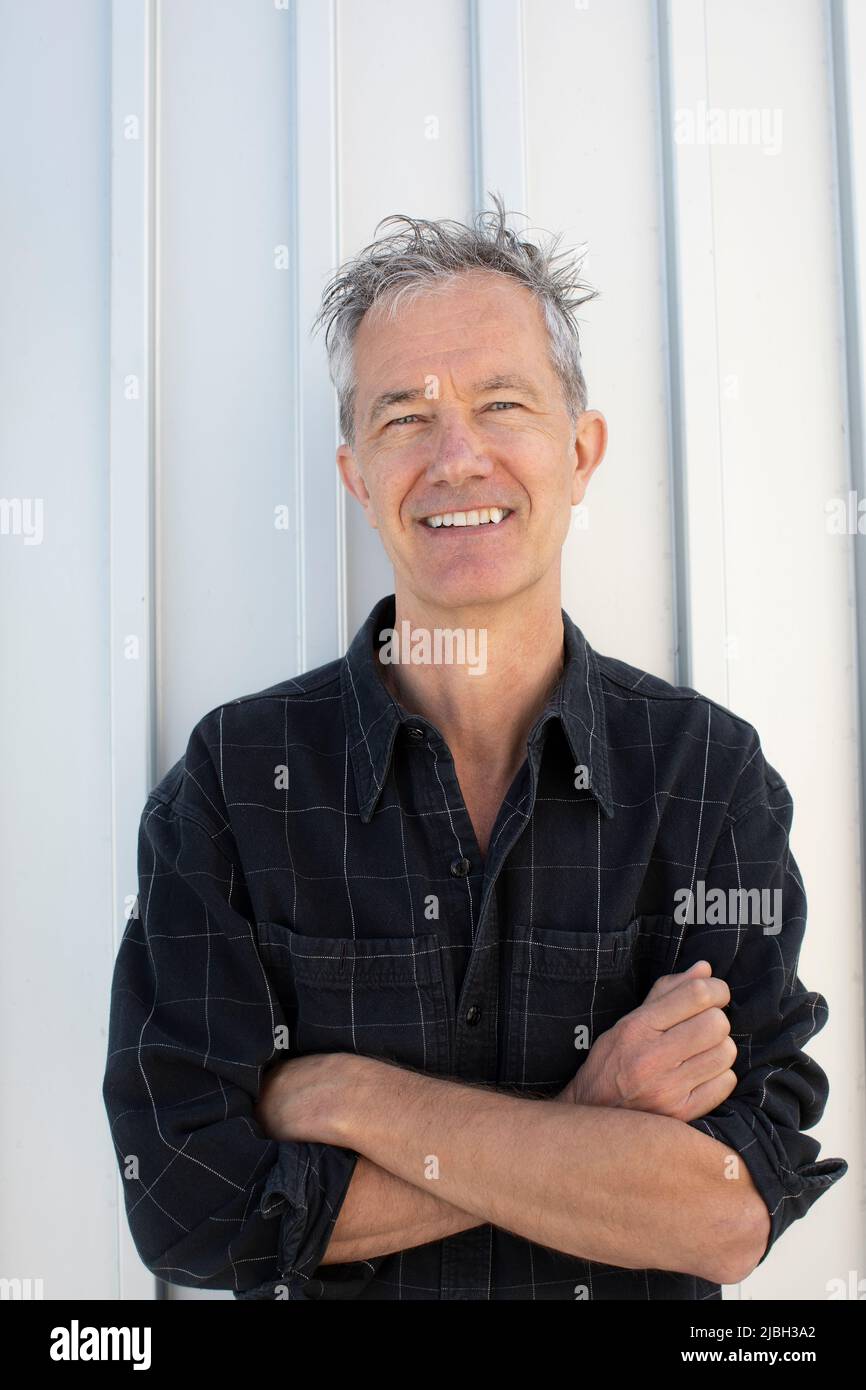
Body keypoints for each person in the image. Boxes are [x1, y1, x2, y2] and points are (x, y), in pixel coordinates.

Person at [102, 194, 847, 1300]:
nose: (457, 457)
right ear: (357, 475)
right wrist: (589, 1125)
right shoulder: (233, 784)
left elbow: (724, 1212)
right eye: (405, 415)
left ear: (581, 452)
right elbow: (191, 1209)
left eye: (502, 403)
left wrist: (350, 1097)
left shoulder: (706, 779)